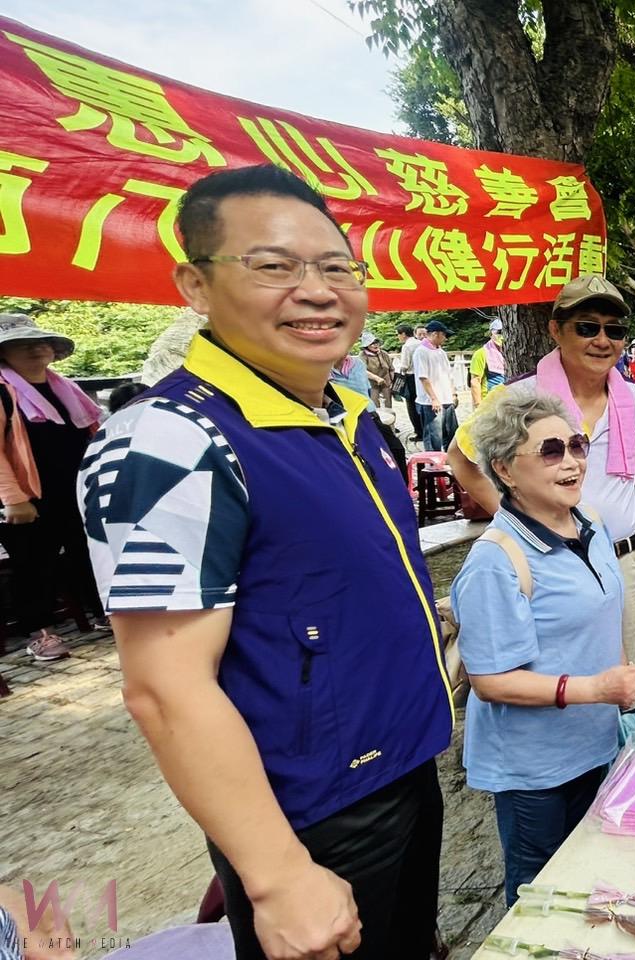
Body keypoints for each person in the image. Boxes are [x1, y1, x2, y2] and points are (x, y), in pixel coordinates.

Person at [78, 165, 451, 960]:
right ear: (195, 284)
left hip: (402, 766)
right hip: (311, 810)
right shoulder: (168, 439)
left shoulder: (348, 416)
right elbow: (164, 686)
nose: (316, 291)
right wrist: (278, 875)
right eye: (274, 266)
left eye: (336, 268)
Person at [452, 389, 635, 904]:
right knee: (541, 898)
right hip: (533, 769)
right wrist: (596, 687)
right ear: (506, 470)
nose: (571, 463)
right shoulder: (497, 561)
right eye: (550, 451)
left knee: (589, 880)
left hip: (594, 747)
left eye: (577, 446)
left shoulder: (593, 526)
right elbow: (491, 681)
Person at [450, 274, 635, 669]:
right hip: (550, 562)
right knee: (560, 672)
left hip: (627, 559)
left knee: (628, 676)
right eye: (586, 327)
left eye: (614, 330)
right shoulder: (519, 396)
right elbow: (460, 458)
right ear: (556, 330)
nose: (602, 340)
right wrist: (522, 522)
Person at [0, 314, 103, 663]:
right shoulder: (3, 392)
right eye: (21, 344)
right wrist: (14, 499)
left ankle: (104, 612)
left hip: (76, 489)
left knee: (89, 552)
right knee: (33, 564)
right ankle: (40, 633)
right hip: (30, 498)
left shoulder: (66, 388)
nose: (35, 347)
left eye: (41, 341)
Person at [412, 319, 458, 451]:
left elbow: (449, 375)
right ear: (435, 334)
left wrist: (453, 393)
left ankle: (450, 460)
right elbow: (423, 377)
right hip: (430, 401)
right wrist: (434, 398)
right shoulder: (421, 351)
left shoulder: (441, 352)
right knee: (434, 436)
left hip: (446, 398)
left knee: (451, 432)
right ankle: (433, 464)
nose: (445, 339)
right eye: (444, 335)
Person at [469, 319, 507, 405]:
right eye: (499, 332)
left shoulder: (512, 352)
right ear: (491, 334)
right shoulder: (481, 353)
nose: (502, 335)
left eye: (506, 331)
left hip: (509, 402)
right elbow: (475, 381)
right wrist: (478, 406)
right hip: (489, 403)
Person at [396, 322, 422, 438]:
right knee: (421, 403)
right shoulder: (420, 343)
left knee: (411, 405)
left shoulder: (407, 346)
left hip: (411, 378)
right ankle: (425, 428)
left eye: (398, 334)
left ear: (404, 334)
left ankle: (418, 431)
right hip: (421, 377)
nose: (398, 337)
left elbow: (404, 365)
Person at [360, 329, 395, 406]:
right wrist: (376, 378)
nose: (375, 345)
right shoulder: (363, 355)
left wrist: (392, 382)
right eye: (372, 343)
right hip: (372, 385)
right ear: (366, 346)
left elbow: (391, 369)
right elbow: (363, 370)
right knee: (375, 406)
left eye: (376, 342)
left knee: (388, 406)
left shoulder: (383, 353)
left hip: (386, 384)